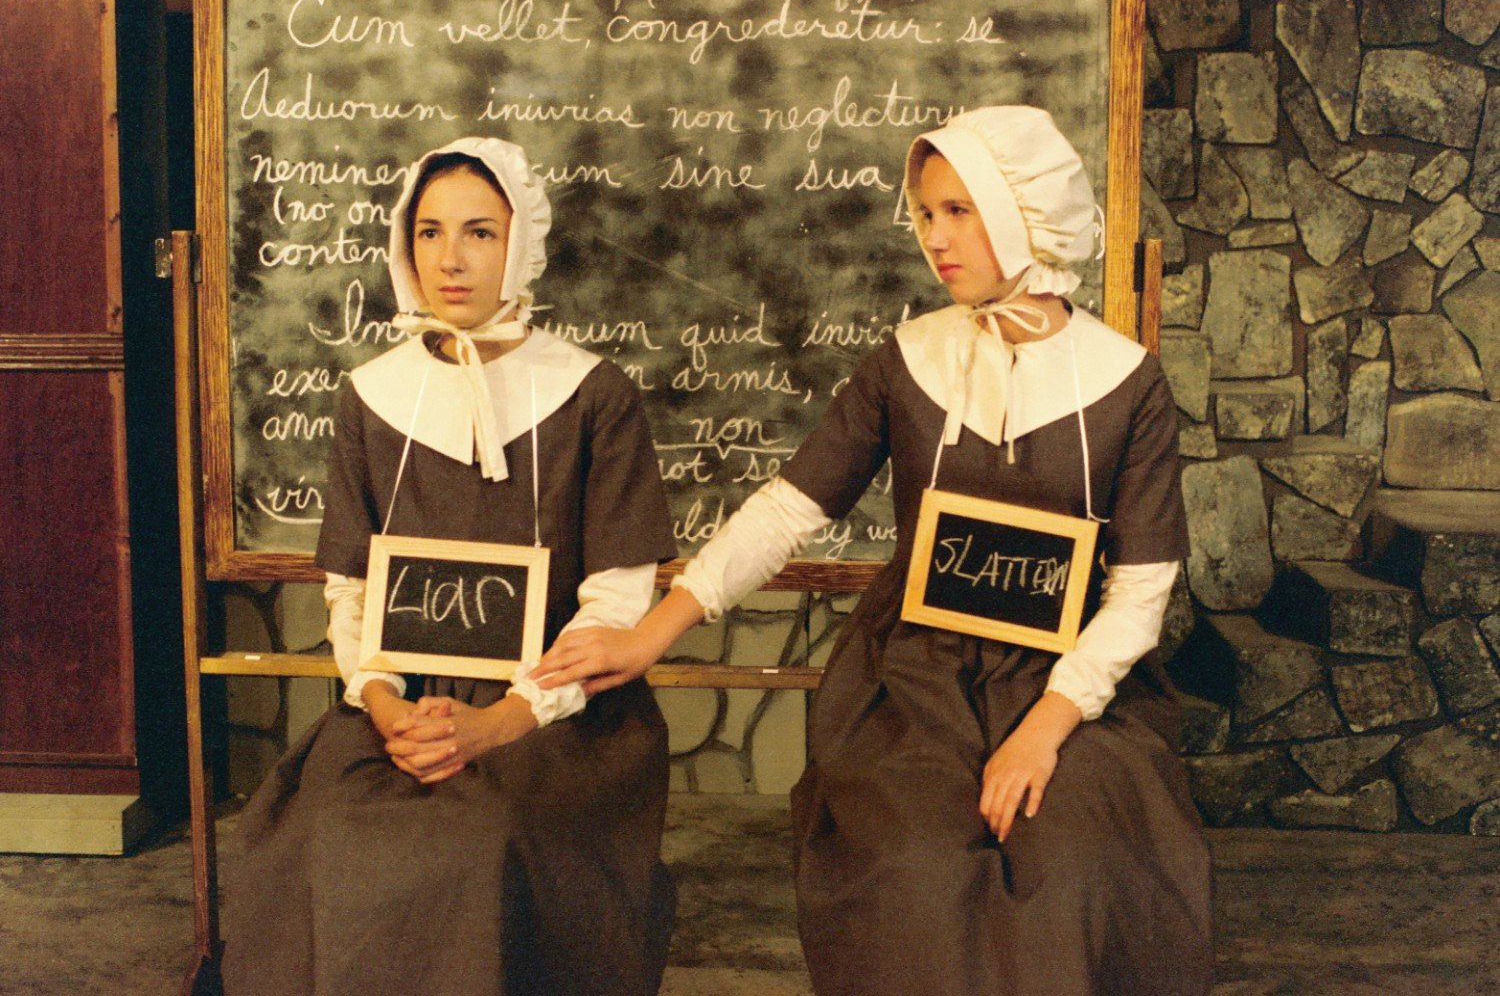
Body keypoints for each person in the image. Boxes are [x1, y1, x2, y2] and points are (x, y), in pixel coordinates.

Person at [534, 107, 1213, 995]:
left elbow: (1143, 589)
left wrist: (1044, 730)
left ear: (1022, 210)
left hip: (1069, 681)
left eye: (960, 211)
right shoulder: (908, 361)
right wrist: (650, 634)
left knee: (1074, 861)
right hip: (918, 673)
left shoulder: (1127, 381)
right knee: (915, 869)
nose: (936, 238)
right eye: (927, 214)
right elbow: (787, 511)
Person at [222, 136, 678, 996]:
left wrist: (504, 721)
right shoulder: (372, 393)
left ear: (520, 245)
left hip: (556, 714)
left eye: (478, 232)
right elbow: (352, 589)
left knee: (486, 840)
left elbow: (617, 598)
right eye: (429, 233)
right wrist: (388, 708)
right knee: (326, 831)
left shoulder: (593, 393)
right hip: (405, 700)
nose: (451, 259)